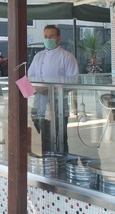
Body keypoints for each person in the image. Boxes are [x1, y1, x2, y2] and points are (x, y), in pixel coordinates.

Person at [27, 25, 79, 153]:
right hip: (37, 106)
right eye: (46, 36)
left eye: (51, 36)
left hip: (58, 107)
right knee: (42, 139)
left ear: (58, 38)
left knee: (59, 139)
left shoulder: (67, 57)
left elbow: (73, 82)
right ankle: (46, 165)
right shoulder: (38, 56)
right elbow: (29, 77)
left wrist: (51, 89)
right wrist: (35, 89)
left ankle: (61, 164)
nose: (48, 39)